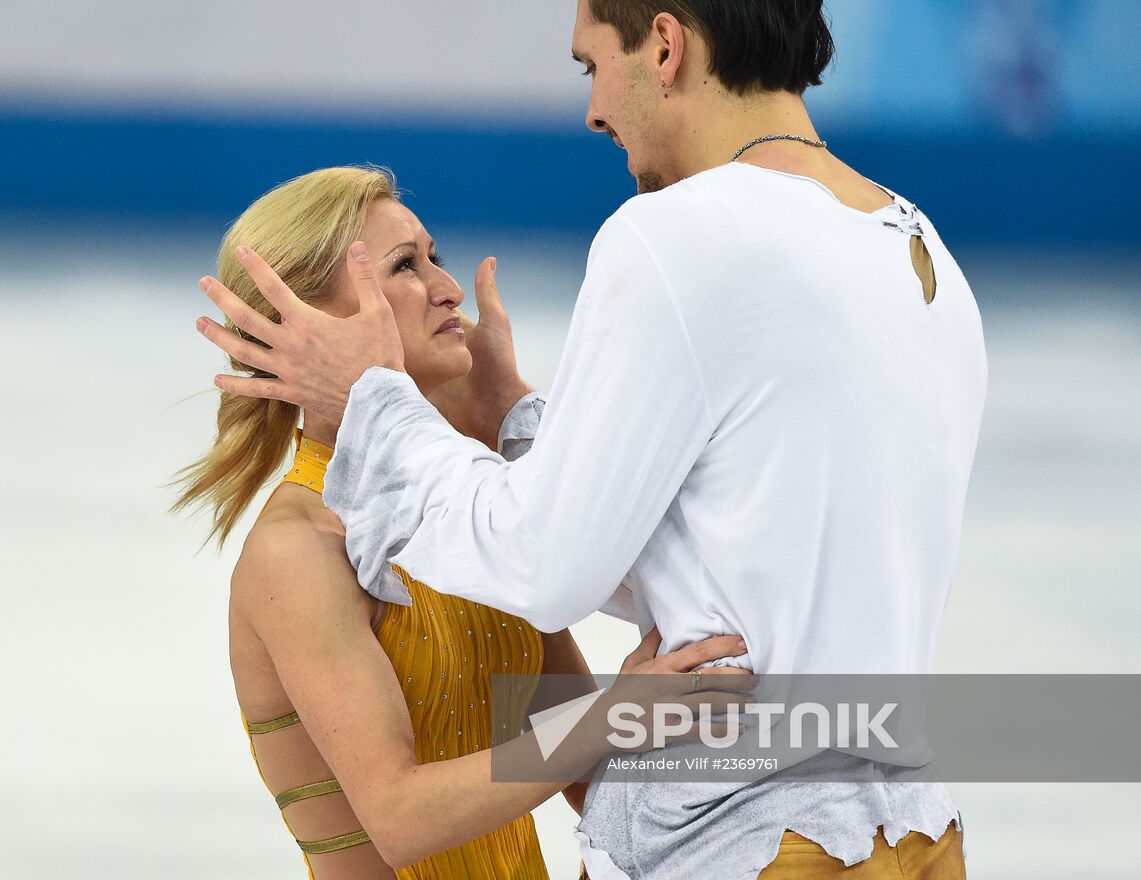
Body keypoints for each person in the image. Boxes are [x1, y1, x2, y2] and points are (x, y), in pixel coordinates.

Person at [194, 0, 985, 879]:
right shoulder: (920, 251)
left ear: (663, 47)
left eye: (591, 64)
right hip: (904, 826)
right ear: (308, 316)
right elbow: (670, 550)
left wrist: (410, 415)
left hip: (758, 842)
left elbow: (549, 570)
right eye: (404, 266)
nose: (590, 109)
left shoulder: (674, 239)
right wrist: (519, 430)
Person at [178, 165, 753, 879]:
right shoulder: (298, 550)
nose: (447, 288)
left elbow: (588, 780)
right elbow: (400, 819)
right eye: (403, 267)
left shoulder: (462, 513)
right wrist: (612, 715)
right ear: (312, 324)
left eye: (433, 257)